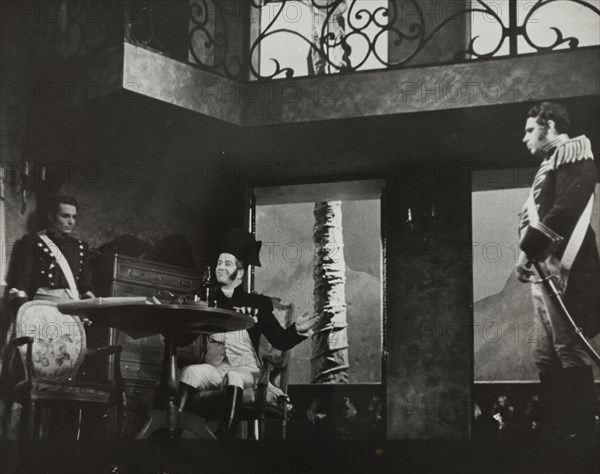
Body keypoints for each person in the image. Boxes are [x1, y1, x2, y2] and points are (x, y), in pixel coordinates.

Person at [176, 228, 318, 438]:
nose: (220, 268)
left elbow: (279, 339)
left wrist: (296, 330)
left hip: (246, 370)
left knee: (234, 375)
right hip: (215, 368)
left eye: (227, 264)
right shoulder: (206, 299)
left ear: (240, 273)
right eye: (218, 263)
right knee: (190, 372)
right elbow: (185, 337)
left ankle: (225, 435)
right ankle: (175, 431)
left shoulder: (257, 303)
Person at [516, 101, 599, 443]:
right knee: (545, 355)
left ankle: (579, 434)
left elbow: (566, 209)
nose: (524, 139)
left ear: (549, 126)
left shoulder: (573, 151)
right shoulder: (551, 163)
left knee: (570, 349)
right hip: (543, 268)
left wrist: (527, 251)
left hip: (565, 266)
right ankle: (556, 430)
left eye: (530, 129)